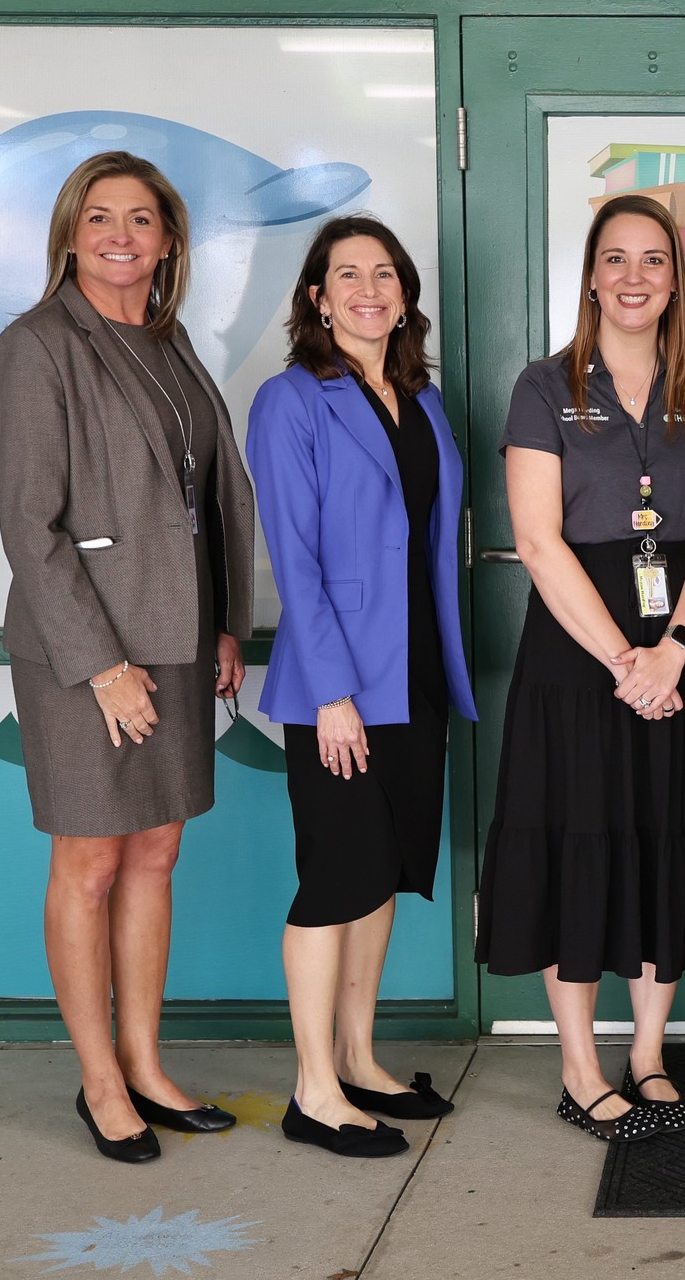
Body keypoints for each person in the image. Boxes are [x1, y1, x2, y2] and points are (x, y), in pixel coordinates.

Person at [0, 151, 255, 1163]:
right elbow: (31, 527)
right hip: (84, 651)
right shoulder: (36, 344)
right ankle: (99, 1079)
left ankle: (145, 1063)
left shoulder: (170, 341)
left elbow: (203, 501)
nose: (119, 235)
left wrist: (222, 621)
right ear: (69, 232)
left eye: (140, 218)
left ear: (168, 239)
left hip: (177, 639)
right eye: (98, 216)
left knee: (157, 851)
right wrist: (102, 664)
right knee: (91, 859)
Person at [476, 193, 685, 1143]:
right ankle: (581, 1067)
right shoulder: (543, 386)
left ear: (675, 281)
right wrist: (628, 661)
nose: (634, 276)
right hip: (576, 649)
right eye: (616, 258)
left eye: (653, 259)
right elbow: (537, 542)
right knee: (577, 846)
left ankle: (649, 1054)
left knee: (664, 839)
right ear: (590, 276)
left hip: (681, 645)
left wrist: (675, 652)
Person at [248, 216, 478, 1157]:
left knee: (380, 874)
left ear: (405, 294)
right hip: (336, 683)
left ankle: (357, 1057)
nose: (369, 290)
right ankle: (313, 1092)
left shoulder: (421, 397)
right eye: (348, 274)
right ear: (318, 296)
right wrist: (332, 693)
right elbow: (293, 558)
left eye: (385, 274)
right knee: (337, 878)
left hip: (415, 671)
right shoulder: (290, 400)